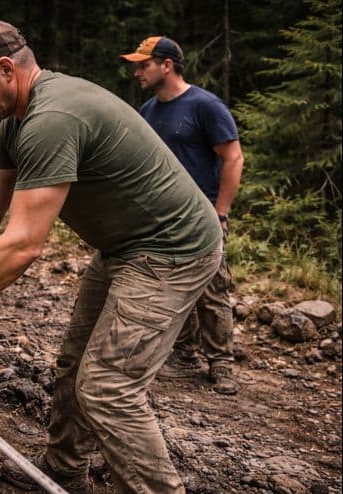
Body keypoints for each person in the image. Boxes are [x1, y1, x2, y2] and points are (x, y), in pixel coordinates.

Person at [0, 19, 222, 494]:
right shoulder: (15, 124)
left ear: (6, 69)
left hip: (172, 251)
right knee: (74, 364)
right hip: (124, 247)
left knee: (108, 386)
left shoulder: (52, 118)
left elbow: (23, 243)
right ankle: (65, 468)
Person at [121, 37, 244, 395]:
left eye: (144, 65)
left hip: (203, 214)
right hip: (161, 218)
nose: (137, 72)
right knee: (171, 287)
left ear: (167, 65)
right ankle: (184, 353)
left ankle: (221, 363)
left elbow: (233, 158)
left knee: (212, 289)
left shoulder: (205, 106)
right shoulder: (148, 110)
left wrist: (221, 213)